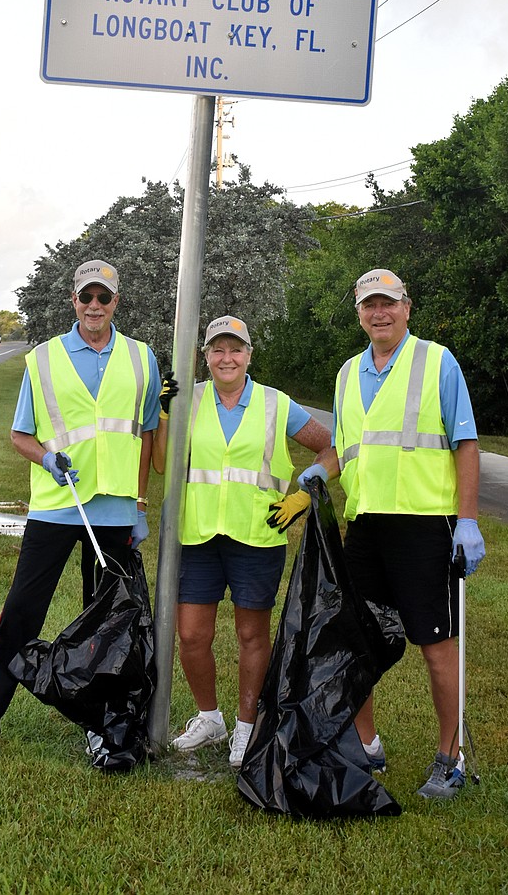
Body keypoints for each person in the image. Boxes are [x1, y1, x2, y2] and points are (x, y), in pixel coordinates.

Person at [0, 258, 162, 766]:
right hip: (57, 508)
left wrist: (139, 506)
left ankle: (101, 729)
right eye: (86, 297)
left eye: (104, 297)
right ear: (74, 300)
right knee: (20, 616)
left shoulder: (142, 358)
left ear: (116, 302)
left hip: (114, 514)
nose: (95, 306)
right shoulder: (43, 359)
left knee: (108, 627)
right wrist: (47, 458)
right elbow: (20, 434)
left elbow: (146, 437)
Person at [299, 267, 485, 800]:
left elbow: (465, 445)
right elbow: (344, 448)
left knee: (435, 646)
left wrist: (466, 520)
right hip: (366, 527)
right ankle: (365, 745)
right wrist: (319, 470)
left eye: (388, 303)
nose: (378, 313)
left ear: (407, 307)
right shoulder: (346, 374)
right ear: (359, 314)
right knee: (357, 644)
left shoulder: (436, 361)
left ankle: (450, 758)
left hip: (426, 527)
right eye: (368, 305)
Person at [153, 314, 336, 769]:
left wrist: (303, 493)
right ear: (206, 357)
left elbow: (332, 447)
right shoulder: (187, 400)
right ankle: (209, 717)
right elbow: (160, 464)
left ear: (249, 355)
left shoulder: (276, 404)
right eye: (218, 349)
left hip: (257, 534)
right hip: (196, 535)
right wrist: (160, 413)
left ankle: (246, 726)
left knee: (251, 633)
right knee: (192, 634)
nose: (227, 357)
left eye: (236, 349)